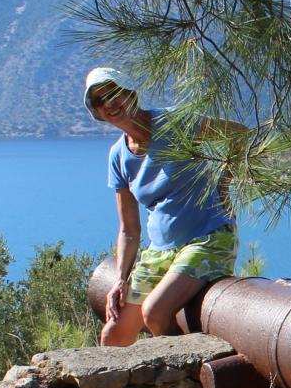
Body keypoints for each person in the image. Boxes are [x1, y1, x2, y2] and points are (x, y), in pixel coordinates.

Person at [85, 66, 248, 346]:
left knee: (156, 313)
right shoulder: (118, 156)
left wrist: (225, 181)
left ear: (130, 94)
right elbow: (129, 230)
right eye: (100, 101)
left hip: (208, 239)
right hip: (160, 252)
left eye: (113, 93)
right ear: (98, 113)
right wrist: (120, 280)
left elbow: (240, 134)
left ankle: (193, 377)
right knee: (113, 336)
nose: (110, 104)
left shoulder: (174, 123)